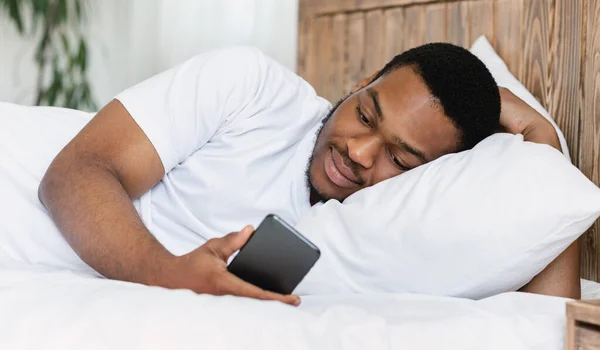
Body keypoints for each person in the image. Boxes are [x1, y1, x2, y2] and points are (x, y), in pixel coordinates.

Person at [35, 43, 578, 306]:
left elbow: (542, 318)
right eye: (365, 114)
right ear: (365, 79)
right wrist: (168, 272)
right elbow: (75, 172)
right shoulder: (248, 90)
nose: (360, 152)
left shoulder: (403, 227)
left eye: (401, 159)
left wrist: (543, 142)